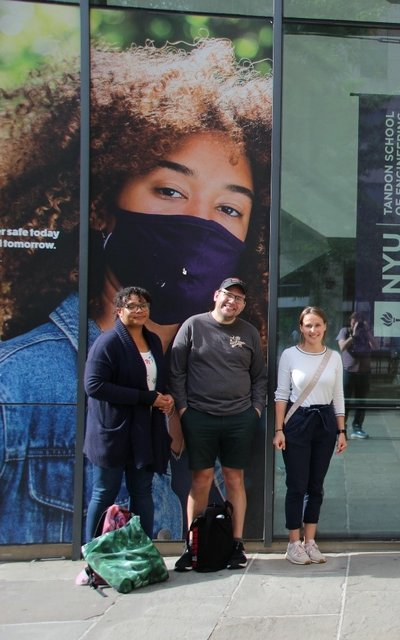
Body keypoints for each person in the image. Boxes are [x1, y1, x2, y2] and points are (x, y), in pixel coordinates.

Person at [0, 39, 271, 544]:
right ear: (103, 205)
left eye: (229, 209)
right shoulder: (16, 385)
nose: (198, 222)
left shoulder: (208, 366)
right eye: (170, 190)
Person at [169, 277, 267, 570]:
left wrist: (256, 411)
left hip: (240, 418)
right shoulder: (193, 326)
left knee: (234, 478)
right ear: (216, 295)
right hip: (200, 416)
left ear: (243, 305)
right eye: (228, 295)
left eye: (239, 298)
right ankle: (193, 544)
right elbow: (177, 371)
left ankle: (237, 545)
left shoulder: (248, 332)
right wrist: (185, 410)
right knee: (201, 479)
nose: (232, 301)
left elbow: (259, 376)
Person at [83, 286, 176, 540]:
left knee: (142, 492)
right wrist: (147, 398)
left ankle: (142, 551)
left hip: (144, 432)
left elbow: (154, 381)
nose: (139, 311)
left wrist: (164, 396)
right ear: (119, 310)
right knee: (104, 492)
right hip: (113, 432)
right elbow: (94, 386)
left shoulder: (153, 341)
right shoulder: (108, 342)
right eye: (132, 306)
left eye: (143, 305)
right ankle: (93, 556)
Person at [274, 306, 348, 565]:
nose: (313, 330)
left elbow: (338, 395)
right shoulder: (290, 355)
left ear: (325, 326)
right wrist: (279, 430)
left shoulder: (334, 357)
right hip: (298, 422)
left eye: (317, 325)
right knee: (296, 484)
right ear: (301, 328)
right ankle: (293, 543)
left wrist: (341, 430)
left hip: (325, 422)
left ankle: (310, 541)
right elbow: (282, 393)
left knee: (316, 485)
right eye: (308, 325)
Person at [336, 312, 375, 440]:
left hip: (364, 372)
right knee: (345, 401)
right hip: (349, 372)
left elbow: (375, 346)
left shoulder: (366, 333)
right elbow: (341, 347)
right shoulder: (345, 331)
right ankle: (342, 428)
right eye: (354, 320)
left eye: (359, 320)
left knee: (361, 401)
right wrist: (353, 334)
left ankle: (357, 427)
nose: (356, 323)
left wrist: (367, 331)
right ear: (350, 321)